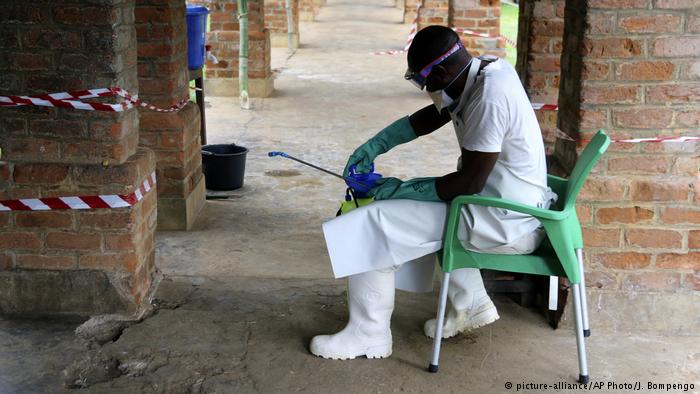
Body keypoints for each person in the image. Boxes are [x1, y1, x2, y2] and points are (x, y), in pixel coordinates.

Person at [310, 25, 557, 360]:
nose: (425, 90)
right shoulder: (483, 72)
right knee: (415, 206)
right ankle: (469, 304)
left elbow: (468, 183)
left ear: (441, 71)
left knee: (372, 221)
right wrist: (377, 145)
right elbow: (435, 115)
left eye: (423, 81)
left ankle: (368, 334)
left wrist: (399, 190)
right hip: (508, 206)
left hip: (502, 222)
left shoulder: (490, 98)